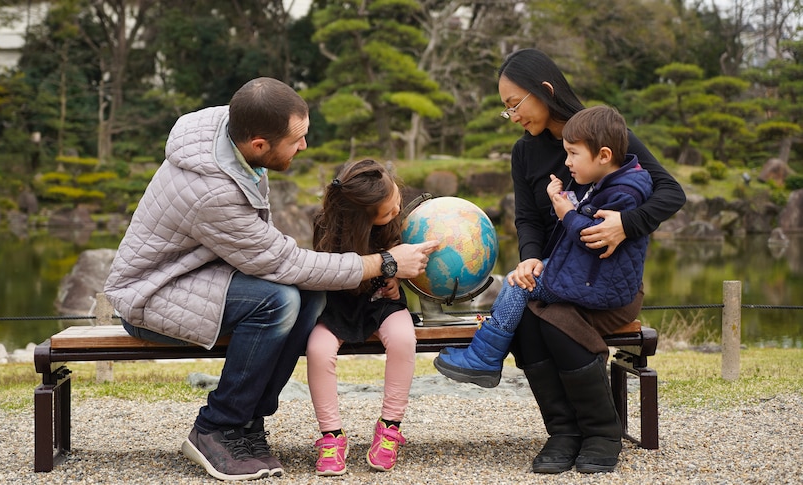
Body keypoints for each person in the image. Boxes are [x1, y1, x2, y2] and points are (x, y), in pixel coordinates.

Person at [103, 77, 438, 482]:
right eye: (297, 140)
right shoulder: (213, 190)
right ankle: (217, 427)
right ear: (259, 143)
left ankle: (248, 423)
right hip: (152, 295)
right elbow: (283, 263)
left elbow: (277, 260)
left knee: (309, 297)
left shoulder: (234, 144)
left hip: (199, 276)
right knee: (278, 301)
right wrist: (385, 263)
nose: (304, 147)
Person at [450, 49, 683, 475]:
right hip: (557, 278)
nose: (513, 116)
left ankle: (600, 432)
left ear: (546, 91)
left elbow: (670, 191)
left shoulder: (601, 134)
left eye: (514, 104)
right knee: (529, 322)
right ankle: (563, 433)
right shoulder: (525, 154)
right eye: (506, 110)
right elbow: (526, 218)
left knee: (552, 320)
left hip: (606, 284)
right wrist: (531, 258)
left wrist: (626, 225)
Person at [434, 105, 653, 388]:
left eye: (573, 154)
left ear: (604, 156)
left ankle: (485, 356)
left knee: (519, 284)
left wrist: (567, 214)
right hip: (592, 273)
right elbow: (587, 219)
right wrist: (563, 201)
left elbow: (591, 238)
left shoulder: (623, 193)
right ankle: (485, 351)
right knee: (519, 279)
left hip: (597, 281)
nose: (568, 161)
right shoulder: (611, 182)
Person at [306, 159, 415, 476]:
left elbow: (404, 261)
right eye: (389, 210)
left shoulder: (395, 221)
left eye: (396, 200)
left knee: (404, 340)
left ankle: (390, 426)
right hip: (339, 305)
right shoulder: (327, 229)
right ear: (362, 221)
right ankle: (331, 436)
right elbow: (331, 277)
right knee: (318, 350)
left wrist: (396, 278)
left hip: (383, 302)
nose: (396, 209)